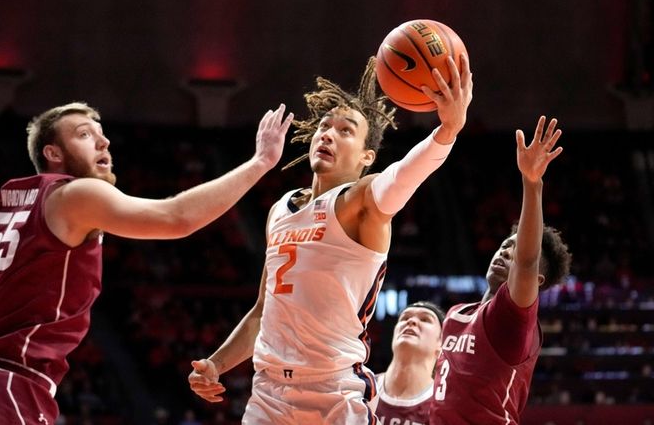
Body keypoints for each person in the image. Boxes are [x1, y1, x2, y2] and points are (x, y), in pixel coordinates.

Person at [0, 101, 293, 424]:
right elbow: (176, 218)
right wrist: (259, 163)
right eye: (84, 135)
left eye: (102, 136)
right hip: (10, 385)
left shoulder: (7, 203)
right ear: (53, 153)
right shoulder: (74, 195)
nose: (104, 144)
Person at [189, 53, 473, 424]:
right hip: (269, 394)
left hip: (333, 394)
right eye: (325, 125)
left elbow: (403, 176)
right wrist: (216, 363)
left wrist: (446, 132)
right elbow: (263, 311)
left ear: (366, 157)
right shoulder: (280, 210)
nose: (328, 134)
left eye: (345, 130)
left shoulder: (362, 203)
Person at [429, 116, 572, 424]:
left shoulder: (512, 319)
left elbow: (527, 260)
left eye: (515, 248)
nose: (508, 251)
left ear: (537, 281)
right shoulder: (455, 314)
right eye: (506, 245)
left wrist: (532, 184)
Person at [369, 301, 445, 425]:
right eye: (404, 318)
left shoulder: (444, 407)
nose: (411, 321)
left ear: (441, 342)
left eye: (425, 319)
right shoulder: (362, 389)